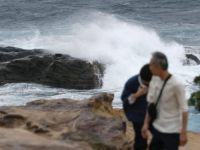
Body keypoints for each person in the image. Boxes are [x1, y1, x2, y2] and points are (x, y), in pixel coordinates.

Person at [141, 52, 188, 150]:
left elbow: (184, 109)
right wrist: (145, 123)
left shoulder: (176, 84)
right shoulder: (154, 79)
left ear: (158, 67)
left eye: (151, 66)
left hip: (172, 131)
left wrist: (183, 132)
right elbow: (150, 103)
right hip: (157, 128)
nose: (149, 68)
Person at [121, 64, 152, 150]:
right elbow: (125, 101)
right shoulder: (132, 83)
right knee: (141, 139)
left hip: (152, 112)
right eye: (146, 83)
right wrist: (137, 94)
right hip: (137, 114)